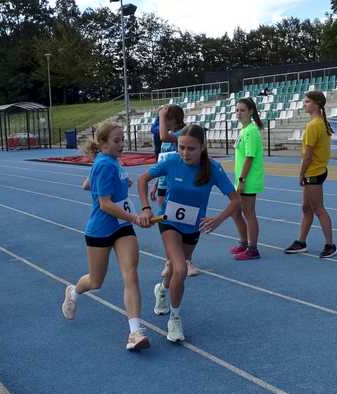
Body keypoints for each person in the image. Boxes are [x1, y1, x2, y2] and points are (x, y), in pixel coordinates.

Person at [137, 124, 241, 342]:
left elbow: (235, 200)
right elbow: (142, 179)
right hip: (168, 222)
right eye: (182, 147)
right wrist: (146, 207)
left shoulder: (213, 169)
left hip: (193, 227)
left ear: (202, 147)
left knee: (173, 269)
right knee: (181, 268)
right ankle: (174, 320)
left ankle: (162, 290)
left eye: (191, 149)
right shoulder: (172, 161)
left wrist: (218, 219)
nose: (185, 153)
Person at [60, 122, 152, 351]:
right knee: (95, 281)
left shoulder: (111, 161)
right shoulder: (104, 164)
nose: (122, 145)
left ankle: (135, 332)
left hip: (121, 227)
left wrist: (122, 182)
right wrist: (135, 218)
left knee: (131, 274)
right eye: (116, 141)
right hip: (101, 228)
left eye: (123, 140)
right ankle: (73, 291)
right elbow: (104, 204)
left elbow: (87, 184)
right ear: (103, 143)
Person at [284, 91, 337, 258]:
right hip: (317, 170)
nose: (304, 104)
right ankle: (301, 241)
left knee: (318, 209)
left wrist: (301, 174)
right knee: (306, 208)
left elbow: (308, 155)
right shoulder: (320, 123)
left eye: (307, 102)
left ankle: (330, 244)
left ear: (316, 104)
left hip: (313, 172)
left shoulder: (313, 125)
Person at [150, 105, 200, 277]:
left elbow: (162, 135)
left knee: (183, 222)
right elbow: (161, 162)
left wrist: (161, 114)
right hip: (164, 184)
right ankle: (170, 259)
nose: (164, 122)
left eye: (167, 119)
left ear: (175, 119)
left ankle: (187, 260)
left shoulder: (181, 135)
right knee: (167, 224)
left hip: (179, 184)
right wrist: (156, 184)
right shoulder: (167, 142)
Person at [230, 98, 265, 260]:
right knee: (236, 212)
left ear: (251, 111)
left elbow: (249, 158)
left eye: (242, 110)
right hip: (241, 179)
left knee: (248, 213)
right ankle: (244, 242)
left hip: (248, 180)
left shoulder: (251, 131)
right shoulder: (244, 130)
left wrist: (242, 180)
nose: (238, 113)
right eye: (237, 110)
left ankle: (252, 248)